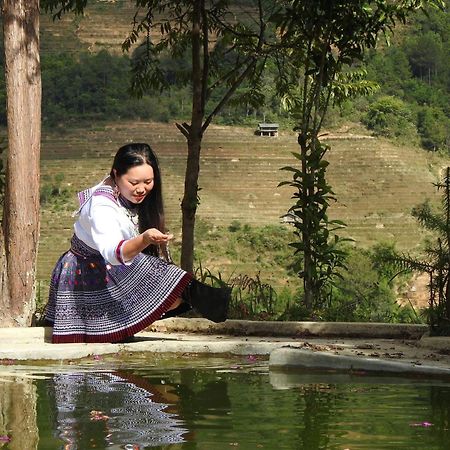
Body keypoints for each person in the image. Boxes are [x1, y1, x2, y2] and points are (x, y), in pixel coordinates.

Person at [44, 143, 230, 343]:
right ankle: (214, 302)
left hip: (111, 264)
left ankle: (214, 302)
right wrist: (144, 239)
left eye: (148, 181)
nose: (142, 189)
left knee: (176, 292)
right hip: (89, 271)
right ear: (116, 174)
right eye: (134, 182)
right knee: (173, 286)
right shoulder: (102, 206)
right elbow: (115, 254)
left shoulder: (124, 193)